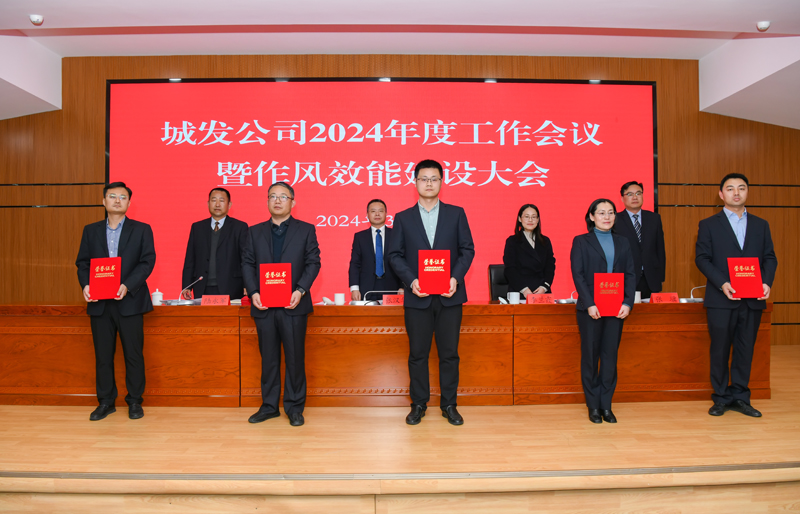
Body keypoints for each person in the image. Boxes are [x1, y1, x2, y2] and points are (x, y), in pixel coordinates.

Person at [387, 159, 475, 426]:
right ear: (415, 182)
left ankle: (449, 404)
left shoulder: (456, 214)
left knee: (449, 354)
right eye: (423, 179)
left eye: (434, 178)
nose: (429, 183)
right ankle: (418, 404)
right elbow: (395, 255)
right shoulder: (403, 218)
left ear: (441, 182)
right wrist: (411, 280)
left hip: (450, 296)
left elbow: (467, 250)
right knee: (418, 354)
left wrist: (455, 278)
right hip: (418, 297)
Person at [695, 173, 777, 418]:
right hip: (721, 299)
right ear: (721, 194)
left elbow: (769, 257)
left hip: (752, 299)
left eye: (741, 188)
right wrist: (722, 283)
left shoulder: (761, 225)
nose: (736, 193)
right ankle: (721, 397)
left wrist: (766, 282)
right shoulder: (708, 224)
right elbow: (702, 259)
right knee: (720, 349)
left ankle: (741, 397)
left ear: (747, 192)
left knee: (745, 349)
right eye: (730, 188)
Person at [75, 181, 156, 421]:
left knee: (133, 354)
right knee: (103, 356)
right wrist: (86, 285)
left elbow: (147, 262)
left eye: (122, 197)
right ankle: (106, 402)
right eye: (112, 196)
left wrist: (127, 285)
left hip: (129, 300)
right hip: (100, 303)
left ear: (129, 203)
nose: (117, 200)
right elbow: (83, 263)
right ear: (104, 201)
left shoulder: (141, 229)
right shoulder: (91, 230)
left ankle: (135, 401)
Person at [242, 182, 321, 427]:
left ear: (293, 202)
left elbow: (313, 262)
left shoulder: (306, 230)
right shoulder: (253, 232)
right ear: (267, 201)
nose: (277, 200)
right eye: (272, 196)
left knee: (295, 358)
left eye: (283, 197)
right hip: (264, 305)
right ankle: (269, 406)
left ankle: (295, 407)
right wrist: (253, 292)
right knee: (268, 359)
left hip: (293, 305)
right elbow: (247, 264)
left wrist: (300, 290)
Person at [570, 198, 635, 424]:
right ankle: (593, 406)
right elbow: (578, 274)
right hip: (590, 309)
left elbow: (630, 274)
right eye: (601, 213)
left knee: (609, 357)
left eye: (611, 212)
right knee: (590, 357)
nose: (607, 217)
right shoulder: (581, 241)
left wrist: (627, 302)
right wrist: (589, 303)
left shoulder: (623, 242)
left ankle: (606, 405)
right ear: (591, 216)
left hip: (616, 309)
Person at [181, 188, 249, 299]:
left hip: (231, 287)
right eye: (213, 200)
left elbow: (245, 259)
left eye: (221, 200)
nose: (217, 204)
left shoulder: (239, 227)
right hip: (202, 287)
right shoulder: (197, 228)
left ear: (229, 205)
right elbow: (190, 259)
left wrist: (247, 284)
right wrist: (187, 286)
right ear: (208, 204)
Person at [613, 181, 666, 298]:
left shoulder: (654, 218)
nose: (635, 197)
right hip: (626, 278)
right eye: (630, 194)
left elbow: (660, 249)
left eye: (638, 193)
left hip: (651, 278)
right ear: (622, 198)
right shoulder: (615, 220)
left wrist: (661, 277)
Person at [349, 199, 401, 302]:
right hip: (367, 288)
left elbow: (402, 261)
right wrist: (354, 288)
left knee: (392, 313)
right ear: (367, 214)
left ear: (386, 214)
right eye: (373, 211)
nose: (377, 214)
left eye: (381, 211)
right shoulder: (360, 237)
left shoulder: (396, 235)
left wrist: (402, 286)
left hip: (393, 287)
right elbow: (355, 264)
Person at [502, 204, 556, 297]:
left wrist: (544, 287)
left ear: (538, 220)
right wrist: (524, 290)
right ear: (520, 219)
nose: (530, 220)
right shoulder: (512, 241)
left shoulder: (545, 241)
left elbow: (550, 266)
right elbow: (510, 269)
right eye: (526, 217)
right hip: (520, 291)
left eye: (534, 217)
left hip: (542, 292)